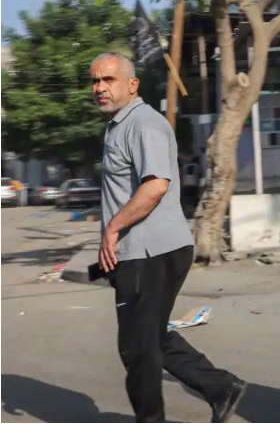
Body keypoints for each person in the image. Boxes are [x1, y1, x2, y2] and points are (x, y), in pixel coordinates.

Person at [90, 52, 245, 424]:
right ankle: (220, 387)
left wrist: (112, 229)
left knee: (137, 348)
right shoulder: (119, 125)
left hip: (150, 251)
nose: (99, 88)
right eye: (95, 81)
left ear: (132, 84)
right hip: (141, 250)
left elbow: (156, 185)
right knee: (151, 337)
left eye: (108, 80)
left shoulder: (144, 124)